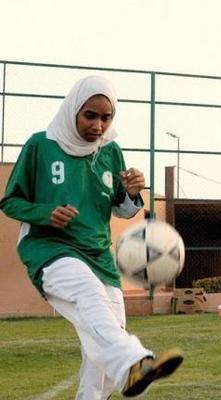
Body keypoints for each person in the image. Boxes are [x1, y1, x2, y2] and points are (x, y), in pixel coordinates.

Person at [0, 76, 183, 399]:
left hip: (99, 256)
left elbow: (121, 210)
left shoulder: (111, 152)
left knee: (103, 339)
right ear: (73, 109)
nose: (98, 125)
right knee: (91, 299)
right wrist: (46, 213)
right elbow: (10, 201)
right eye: (90, 115)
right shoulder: (40, 145)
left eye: (106, 117)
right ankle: (134, 362)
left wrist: (131, 193)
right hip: (50, 250)